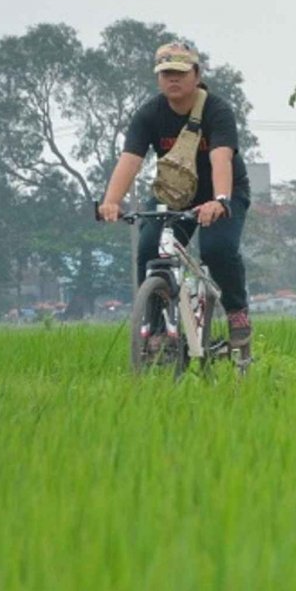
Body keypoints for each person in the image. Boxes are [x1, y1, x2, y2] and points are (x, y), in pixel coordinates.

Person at [99, 41, 254, 358]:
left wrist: (220, 200)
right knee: (148, 248)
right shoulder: (149, 115)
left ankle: (237, 313)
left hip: (221, 192)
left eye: (181, 72)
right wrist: (111, 201)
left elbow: (221, 159)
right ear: (158, 78)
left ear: (196, 75)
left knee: (217, 249)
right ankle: (156, 328)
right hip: (174, 193)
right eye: (166, 73)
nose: (173, 79)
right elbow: (130, 160)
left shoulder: (217, 110)